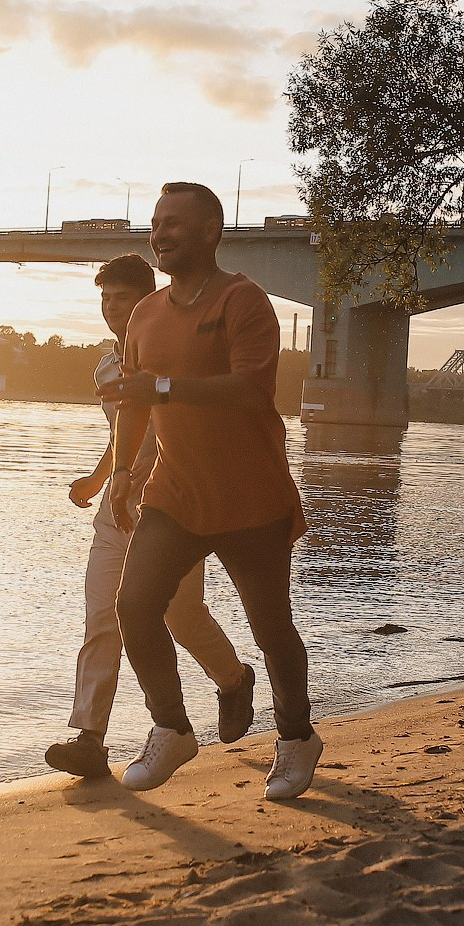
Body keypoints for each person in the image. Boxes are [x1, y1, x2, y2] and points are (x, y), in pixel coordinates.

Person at [100, 181, 323, 801]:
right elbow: (135, 404)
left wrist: (162, 389)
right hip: (174, 494)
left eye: (174, 223)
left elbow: (250, 387)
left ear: (209, 232)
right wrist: (123, 473)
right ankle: (172, 729)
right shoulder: (145, 314)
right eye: (155, 222)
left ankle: (297, 738)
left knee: (271, 626)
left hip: (250, 495)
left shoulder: (242, 301)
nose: (160, 233)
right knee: (135, 607)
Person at [45, 253, 256, 779]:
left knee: (180, 616)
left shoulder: (170, 356)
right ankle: (90, 738)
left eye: (121, 298)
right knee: (102, 617)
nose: (110, 308)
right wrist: (99, 480)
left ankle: (233, 680)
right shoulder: (106, 367)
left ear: (146, 300)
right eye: (104, 298)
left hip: (174, 508)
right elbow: (124, 434)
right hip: (119, 509)